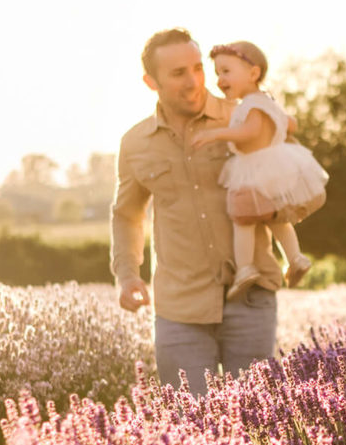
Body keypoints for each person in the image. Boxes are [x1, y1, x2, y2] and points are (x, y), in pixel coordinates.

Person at [110, 28, 283, 395]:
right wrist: (127, 275)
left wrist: (277, 208)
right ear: (150, 82)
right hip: (179, 310)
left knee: (258, 425)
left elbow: (292, 183)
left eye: (197, 68)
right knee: (190, 429)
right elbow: (127, 214)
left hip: (250, 298)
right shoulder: (135, 143)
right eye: (177, 74)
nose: (193, 82)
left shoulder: (241, 120)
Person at [190, 40, 328, 297]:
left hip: (254, 169)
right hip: (275, 168)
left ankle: (245, 269)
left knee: (242, 220)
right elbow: (292, 124)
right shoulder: (267, 102)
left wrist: (216, 134)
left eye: (226, 71)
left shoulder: (251, 104)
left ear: (253, 73)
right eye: (217, 73)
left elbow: (249, 132)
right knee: (275, 219)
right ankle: (295, 258)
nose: (220, 80)